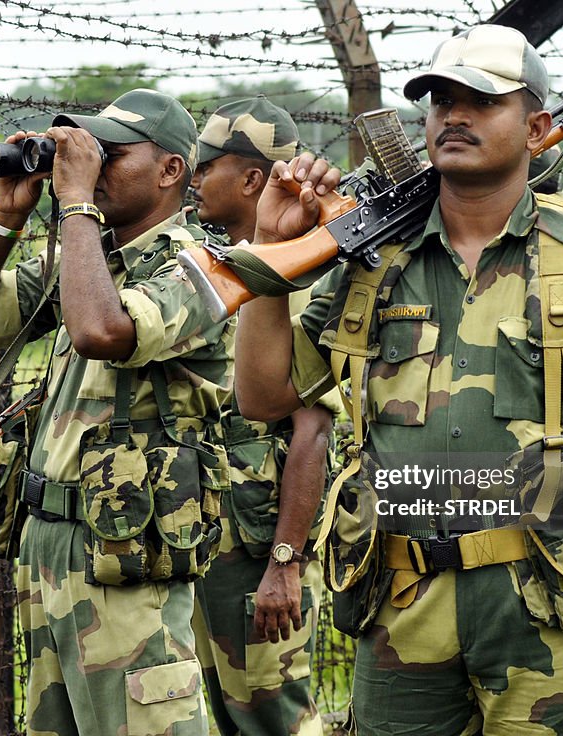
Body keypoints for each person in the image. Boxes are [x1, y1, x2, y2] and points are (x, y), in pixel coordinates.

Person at [234, 25, 563, 736]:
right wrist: (268, 257)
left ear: (538, 128)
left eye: (481, 99)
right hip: (401, 607)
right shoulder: (371, 270)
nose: (455, 114)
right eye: (441, 99)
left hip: (546, 613)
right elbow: (263, 397)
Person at [0, 88, 232, 736]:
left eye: (109, 155)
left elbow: (102, 329)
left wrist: (74, 201)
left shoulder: (198, 266)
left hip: (123, 558)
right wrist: (3, 221)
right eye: (86, 155)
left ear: (170, 171)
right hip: (49, 548)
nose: (92, 170)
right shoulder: (89, 261)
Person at [187, 96, 341, 735]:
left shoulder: (303, 274)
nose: (193, 182)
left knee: (274, 718)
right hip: (200, 540)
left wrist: (286, 560)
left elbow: (313, 429)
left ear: (252, 179)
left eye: (205, 168)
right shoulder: (209, 268)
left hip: (256, 552)